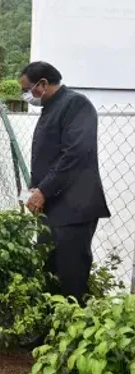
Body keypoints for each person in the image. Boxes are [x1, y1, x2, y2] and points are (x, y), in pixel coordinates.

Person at [20, 61, 111, 304]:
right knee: (49, 271)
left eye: (27, 89)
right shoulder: (51, 107)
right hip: (53, 207)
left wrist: (43, 189)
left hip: (73, 208)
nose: (26, 95)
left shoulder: (76, 104)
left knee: (69, 277)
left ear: (43, 84)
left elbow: (75, 153)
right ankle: (48, 331)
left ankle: (68, 334)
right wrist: (35, 186)